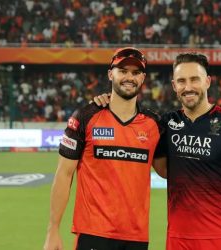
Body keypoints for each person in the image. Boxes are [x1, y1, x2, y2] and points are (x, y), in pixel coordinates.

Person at [94, 52, 221, 250]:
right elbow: (163, 171)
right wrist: (108, 101)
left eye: (194, 79)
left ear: (207, 82)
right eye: (181, 81)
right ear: (174, 86)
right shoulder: (166, 124)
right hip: (177, 239)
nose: (188, 87)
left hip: (220, 237)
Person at [43, 47, 166, 250]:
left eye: (135, 73)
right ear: (111, 74)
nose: (129, 77)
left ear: (143, 78)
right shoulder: (85, 116)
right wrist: (53, 230)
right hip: (93, 234)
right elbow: (64, 174)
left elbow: (167, 170)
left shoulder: (154, 124)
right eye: (123, 71)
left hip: (136, 237)